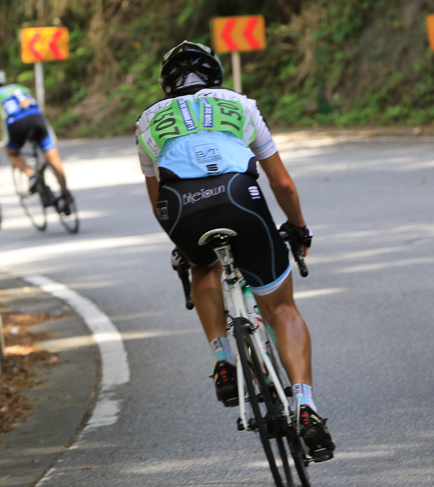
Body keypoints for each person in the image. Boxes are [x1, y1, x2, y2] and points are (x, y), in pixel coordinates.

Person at [135, 41, 335, 461]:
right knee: (281, 309)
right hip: (239, 196)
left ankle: (223, 359)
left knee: (202, 266)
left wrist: (182, 245)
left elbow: (159, 203)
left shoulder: (147, 122)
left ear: (167, 83)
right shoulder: (240, 105)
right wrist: (298, 227)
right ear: (215, 76)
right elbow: (282, 184)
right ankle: (305, 406)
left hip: (183, 211)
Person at [0, 68, 71, 211]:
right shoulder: (18, 88)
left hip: (15, 123)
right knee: (53, 158)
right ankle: (66, 195)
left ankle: (30, 174)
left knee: (12, 153)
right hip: (37, 118)